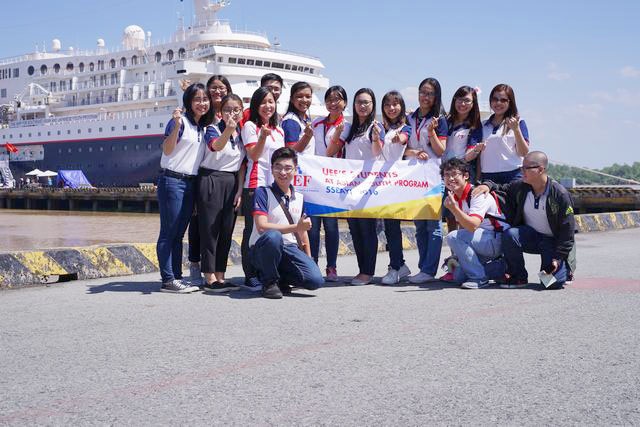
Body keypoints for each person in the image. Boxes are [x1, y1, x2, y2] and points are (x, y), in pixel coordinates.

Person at [477, 151, 576, 289]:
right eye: (521, 167)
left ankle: (565, 269)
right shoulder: (521, 187)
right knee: (511, 234)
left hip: (552, 243)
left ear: (540, 169)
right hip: (531, 237)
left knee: (550, 283)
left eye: (526, 168)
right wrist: (487, 185)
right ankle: (518, 277)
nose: (521, 171)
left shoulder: (560, 195)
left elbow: (568, 230)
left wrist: (558, 258)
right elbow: (500, 187)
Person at [156, 83, 212, 293]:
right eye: (197, 99)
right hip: (172, 180)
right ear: (188, 101)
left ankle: (176, 277)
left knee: (179, 233)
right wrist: (177, 125)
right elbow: (167, 150)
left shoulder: (202, 127)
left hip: (190, 183)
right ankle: (167, 280)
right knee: (168, 232)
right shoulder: (179, 122)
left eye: (205, 99)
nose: (202, 103)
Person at [249, 147, 324, 299]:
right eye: (278, 167)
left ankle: (281, 279)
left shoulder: (300, 198)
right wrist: (296, 227)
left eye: (288, 168)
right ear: (272, 169)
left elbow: (302, 232)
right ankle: (269, 282)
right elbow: (262, 226)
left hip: (290, 248)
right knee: (273, 236)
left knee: (315, 280)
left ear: (295, 170)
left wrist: (309, 258)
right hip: (264, 247)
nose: (283, 172)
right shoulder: (262, 192)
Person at [328, 88, 384, 285]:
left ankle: (367, 271)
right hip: (350, 186)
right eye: (359, 102)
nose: (362, 106)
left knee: (367, 229)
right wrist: (336, 133)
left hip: (368, 186)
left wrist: (376, 138)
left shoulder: (375, 127)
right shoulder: (350, 128)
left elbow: (377, 153)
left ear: (373, 105)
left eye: (366, 102)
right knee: (355, 229)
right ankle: (362, 270)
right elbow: (332, 150)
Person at [187, 74, 234, 285]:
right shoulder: (204, 117)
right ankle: (197, 265)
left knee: (222, 227)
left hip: (227, 176)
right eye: (213, 87)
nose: (218, 91)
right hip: (203, 173)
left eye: (222, 87)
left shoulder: (233, 116)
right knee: (201, 224)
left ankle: (217, 272)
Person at [197, 94, 245, 292]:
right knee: (210, 230)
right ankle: (209, 277)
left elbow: (242, 165)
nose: (232, 113)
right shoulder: (213, 128)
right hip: (211, 178)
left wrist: (239, 190)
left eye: (236, 110)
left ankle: (220, 276)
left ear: (242, 111)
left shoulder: (241, 133)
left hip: (232, 181)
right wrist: (228, 130)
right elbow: (215, 146)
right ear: (220, 112)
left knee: (226, 230)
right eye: (227, 110)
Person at [240, 87, 285, 291]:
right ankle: (250, 275)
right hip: (255, 185)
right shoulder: (250, 126)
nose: (268, 106)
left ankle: (267, 273)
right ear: (256, 106)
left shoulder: (279, 130)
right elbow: (253, 155)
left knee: (271, 230)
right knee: (252, 230)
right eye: (263, 102)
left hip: (274, 187)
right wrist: (263, 137)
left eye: (271, 102)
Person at [404, 78, 448, 284]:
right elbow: (402, 149)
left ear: (436, 96)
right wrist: (413, 152)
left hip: (433, 177)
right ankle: (423, 268)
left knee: (433, 225)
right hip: (414, 177)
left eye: (430, 93)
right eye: (423, 92)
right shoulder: (409, 118)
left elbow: (440, 151)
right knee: (419, 226)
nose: (425, 97)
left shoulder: (440, 120)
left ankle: (429, 270)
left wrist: (431, 133)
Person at [441, 158, 509, 289]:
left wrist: (454, 209)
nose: (450, 178)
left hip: (496, 238)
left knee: (452, 236)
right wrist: (457, 255)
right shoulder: (455, 196)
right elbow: (463, 228)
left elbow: (472, 226)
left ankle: (479, 278)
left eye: (454, 174)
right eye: (446, 175)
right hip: (481, 240)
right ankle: (501, 267)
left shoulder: (477, 194)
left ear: (466, 176)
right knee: (459, 276)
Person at [309, 85, 350, 282]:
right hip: (315, 180)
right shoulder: (316, 123)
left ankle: (331, 267)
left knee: (331, 226)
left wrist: (336, 135)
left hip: (335, 181)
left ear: (345, 103)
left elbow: (330, 152)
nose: (333, 103)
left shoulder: (346, 126)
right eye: (329, 99)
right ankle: (313, 265)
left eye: (337, 99)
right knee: (313, 226)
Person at [378, 90, 412, 285]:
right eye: (387, 104)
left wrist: (400, 139)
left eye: (395, 104)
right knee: (387, 226)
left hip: (396, 182)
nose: (391, 108)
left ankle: (395, 267)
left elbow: (404, 139)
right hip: (380, 182)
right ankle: (400, 265)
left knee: (392, 226)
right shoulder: (381, 127)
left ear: (402, 107)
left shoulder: (404, 128)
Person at [480, 83, 530, 184]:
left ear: (510, 102)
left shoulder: (519, 122)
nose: (498, 103)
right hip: (488, 176)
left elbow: (523, 153)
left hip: (512, 175)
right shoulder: (483, 125)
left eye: (503, 100)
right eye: (495, 99)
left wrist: (516, 130)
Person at [281, 81, 315, 155]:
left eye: (308, 97)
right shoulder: (290, 121)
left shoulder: (305, 118)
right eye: (299, 96)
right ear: (292, 99)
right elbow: (290, 151)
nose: (304, 100)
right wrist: (307, 137)